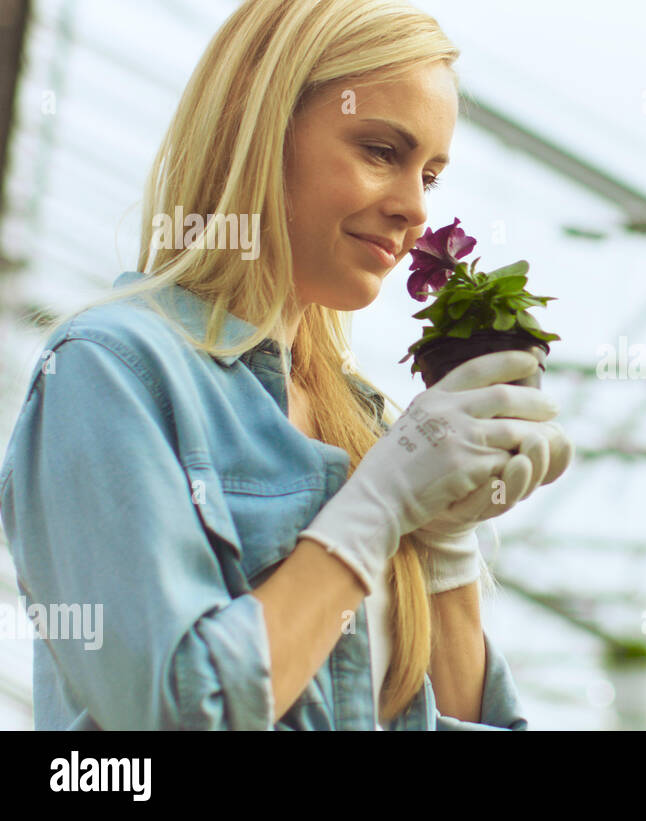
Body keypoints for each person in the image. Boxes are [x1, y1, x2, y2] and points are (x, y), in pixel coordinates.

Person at [0, 0, 571, 730]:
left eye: (429, 175)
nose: (413, 210)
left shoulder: (366, 422)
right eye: (380, 151)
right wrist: (374, 512)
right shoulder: (111, 373)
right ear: (259, 127)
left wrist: (447, 546)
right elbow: (167, 719)